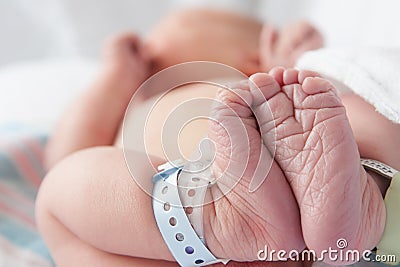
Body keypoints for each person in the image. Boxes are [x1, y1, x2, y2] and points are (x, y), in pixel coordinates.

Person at [35, 8, 399, 266]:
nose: (144, 55)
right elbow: (61, 152)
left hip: (200, 243)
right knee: (358, 115)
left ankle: (360, 194)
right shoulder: (132, 109)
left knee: (59, 198)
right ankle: (368, 192)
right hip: (193, 241)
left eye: (154, 53)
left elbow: (66, 157)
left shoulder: (274, 94)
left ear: (253, 59)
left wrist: (308, 65)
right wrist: (113, 79)